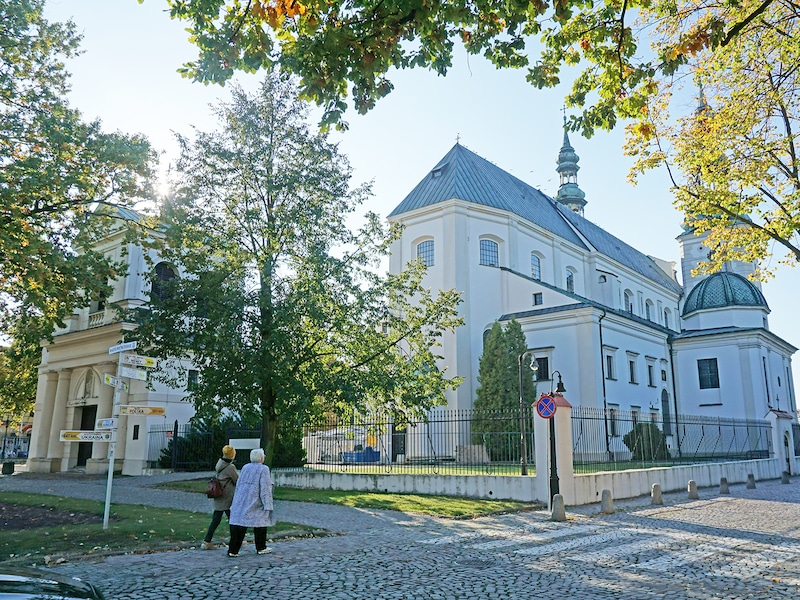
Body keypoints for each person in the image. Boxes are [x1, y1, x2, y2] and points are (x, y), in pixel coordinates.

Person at [227, 447, 275, 557]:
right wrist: (267, 503)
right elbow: (265, 487)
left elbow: (239, 483)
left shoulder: (245, 467)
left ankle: (233, 550)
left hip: (242, 499)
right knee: (260, 523)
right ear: (261, 458)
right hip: (255, 499)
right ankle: (261, 547)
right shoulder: (264, 469)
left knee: (240, 523)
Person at [201, 444, 239, 550]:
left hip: (219, 494)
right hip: (226, 496)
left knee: (216, 519)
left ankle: (207, 541)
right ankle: (235, 541)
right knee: (232, 519)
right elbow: (237, 480)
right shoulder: (230, 467)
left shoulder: (220, 463)